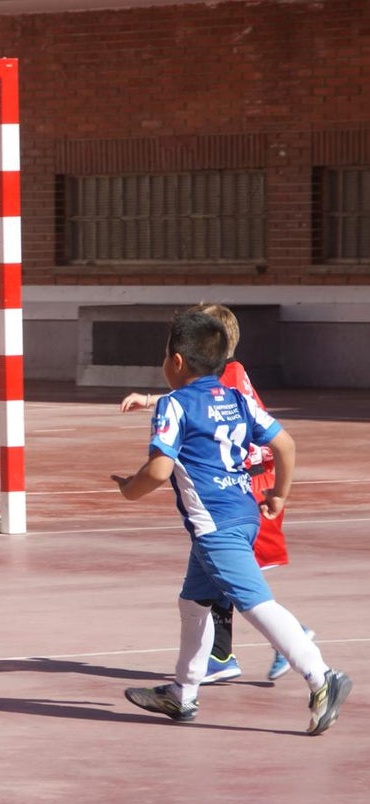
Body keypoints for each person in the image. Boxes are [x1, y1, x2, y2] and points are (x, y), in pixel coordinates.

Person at [112, 309, 351, 735]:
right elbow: (286, 443)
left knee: (255, 602)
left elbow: (159, 470)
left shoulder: (173, 405)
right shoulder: (235, 398)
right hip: (243, 513)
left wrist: (129, 488)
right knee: (193, 604)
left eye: (164, 356)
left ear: (177, 362)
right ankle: (182, 693)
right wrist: (279, 494)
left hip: (215, 527)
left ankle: (321, 677)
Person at [120, 303, 310, 684]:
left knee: (241, 579)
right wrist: (153, 399)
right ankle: (210, 664)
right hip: (236, 483)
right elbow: (201, 402)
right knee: (209, 584)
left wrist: (277, 492)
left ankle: (305, 655)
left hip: (242, 483)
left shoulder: (232, 378)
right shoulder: (217, 382)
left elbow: (206, 409)